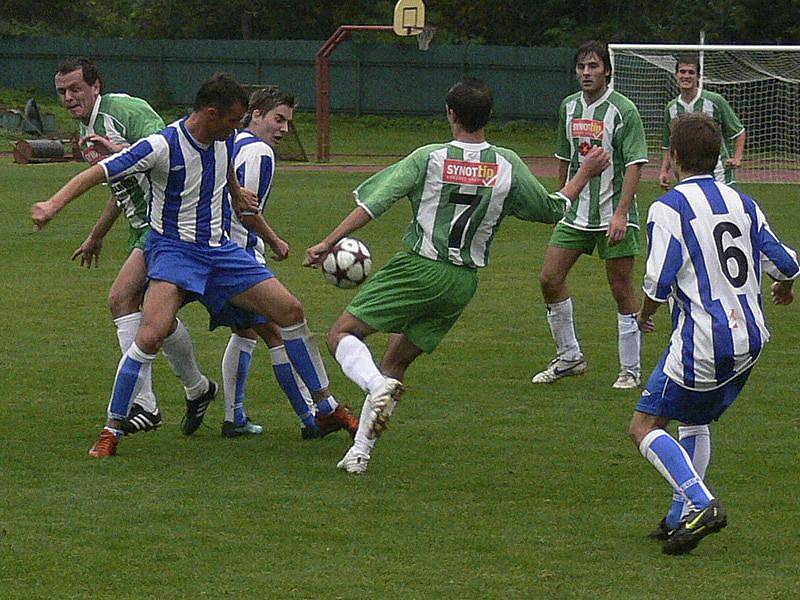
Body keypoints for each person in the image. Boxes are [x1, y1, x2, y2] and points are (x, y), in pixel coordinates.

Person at [304, 77, 610, 474]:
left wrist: (330, 241)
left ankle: (373, 388)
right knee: (395, 362)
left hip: (419, 266)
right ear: (488, 116)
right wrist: (583, 174)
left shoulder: (430, 157)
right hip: (461, 283)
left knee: (341, 334)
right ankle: (360, 452)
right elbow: (550, 210)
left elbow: (376, 203)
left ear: (451, 114)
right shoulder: (507, 164)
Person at [32, 73, 345, 458]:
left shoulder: (224, 138)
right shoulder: (162, 145)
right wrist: (53, 205)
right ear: (211, 113)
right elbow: (99, 172)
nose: (238, 128)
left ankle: (327, 409)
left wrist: (236, 195)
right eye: (233, 120)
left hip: (221, 252)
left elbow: (225, 171)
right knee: (151, 334)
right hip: (175, 253)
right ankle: (112, 429)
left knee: (291, 311)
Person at [630, 112, 798, 554]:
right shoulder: (743, 203)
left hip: (703, 339)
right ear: (720, 156)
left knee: (644, 425)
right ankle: (679, 516)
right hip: (752, 340)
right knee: (696, 418)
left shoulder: (668, 206)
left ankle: (702, 502)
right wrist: (786, 286)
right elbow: (786, 262)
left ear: (674, 156)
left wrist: (644, 314)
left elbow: (658, 280)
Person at [50, 57, 216, 441]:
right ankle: (197, 388)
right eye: (62, 92)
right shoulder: (84, 131)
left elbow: (172, 155)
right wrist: (97, 233)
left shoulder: (126, 110)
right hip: (139, 227)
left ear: (96, 85)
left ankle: (146, 405)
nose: (69, 97)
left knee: (121, 299)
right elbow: (118, 184)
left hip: (168, 223)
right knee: (154, 317)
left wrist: (120, 150)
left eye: (76, 88)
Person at [216, 85, 358, 439]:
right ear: (256, 114)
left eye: (287, 123)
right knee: (283, 329)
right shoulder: (260, 152)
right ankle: (315, 417)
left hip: (212, 250)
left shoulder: (228, 143)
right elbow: (246, 209)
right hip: (237, 257)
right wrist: (275, 240)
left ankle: (234, 417)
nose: (283, 129)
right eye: (277, 119)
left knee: (248, 332)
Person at [531, 40, 649, 390]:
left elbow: (634, 164)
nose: (586, 72)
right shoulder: (568, 107)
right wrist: (560, 203)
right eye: (581, 66)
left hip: (613, 214)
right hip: (575, 213)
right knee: (549, 279)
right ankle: (569, 357)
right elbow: (564, 160)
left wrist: (621, 214)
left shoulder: (623, 110)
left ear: (607, 70)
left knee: (621, 288)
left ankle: (630, 370)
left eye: (593, 66)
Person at [659, 54, 746, 189]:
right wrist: (664, 171)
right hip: (685, 175)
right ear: (676, 75)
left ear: (698, 77)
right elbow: (668, 145)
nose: (686, 76)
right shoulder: (671, 108)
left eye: (691, 73)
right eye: (682, 72)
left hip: (719, 174)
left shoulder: (715, 101)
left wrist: (737, 158)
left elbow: (739, 131)